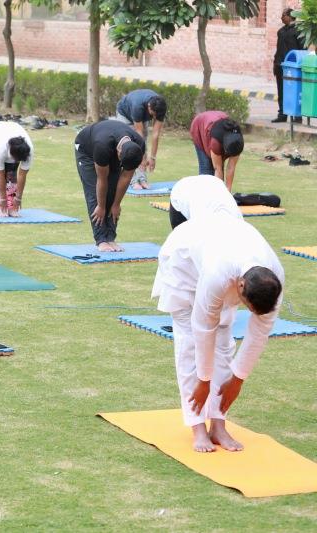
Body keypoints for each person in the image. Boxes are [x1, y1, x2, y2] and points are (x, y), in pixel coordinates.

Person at [152, 215, 284, 453]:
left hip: (220, 254)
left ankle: (218, 425)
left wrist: (238, 379)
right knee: (190, 343)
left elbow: (259, 333)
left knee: (224, 344)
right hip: (184, 264)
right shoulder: (217, 273)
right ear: (241, 287)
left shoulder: (274, 279)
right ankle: (197, 426)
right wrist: (204, 381)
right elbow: (203, 328)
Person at [74, 119, 145, 252]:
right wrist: (101, 206)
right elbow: (102, 180)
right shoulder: (102, 145)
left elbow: (125, 177)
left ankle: (110, 238)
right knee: (95, 194)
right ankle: (101, 240)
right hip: (87, 151)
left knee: (112, 194)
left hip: (110, 147)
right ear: (119, 152)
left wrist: (116, 204)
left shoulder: (138, 146)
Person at [115, 89, 167, 189]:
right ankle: (133, 180)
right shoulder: (137, 105)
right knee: (130, 146)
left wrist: (152, 158)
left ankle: (142, 179)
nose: (155, 117)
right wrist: (142, 158)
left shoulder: (160, 107)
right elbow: (138, 136)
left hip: (141, 118)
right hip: (124, 115)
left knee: (144, 144)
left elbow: (155, 134)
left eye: (157, 115)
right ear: (148, 106)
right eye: (153, 114)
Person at [0, 121, 32, 217]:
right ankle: (2, 207)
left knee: (12, 174)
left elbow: (22, 175)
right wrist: (3, 199)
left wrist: (18, 198)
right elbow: (0, 175)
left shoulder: (29, 150)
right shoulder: (0, 149)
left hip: (11, 131)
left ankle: (11, 207)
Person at [190, 111, 243, 191]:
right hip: (200, 125)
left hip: (217, 119)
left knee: (220, 166)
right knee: (206, 168)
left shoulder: (238, 142)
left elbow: (231, 167)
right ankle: (203, 197)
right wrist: (219, 193)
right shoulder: (216, 143)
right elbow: (217, 169)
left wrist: (228, 190)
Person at [167, 174, 241, 229]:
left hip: (213, 185)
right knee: (183, 241)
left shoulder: (237, 219)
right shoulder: (202, 218)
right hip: (181, 193)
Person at [274, 8, 305, 123]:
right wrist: (275, 64)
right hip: (280, 65)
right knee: (281, 90)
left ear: (290, 17)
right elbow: (278, 49)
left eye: (283, 15)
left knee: (295, 91)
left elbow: (303, 50)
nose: (281, 18)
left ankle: (297, 116)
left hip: (293, 67)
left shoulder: (298, 31)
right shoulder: (281, 31)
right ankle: (282, 115)